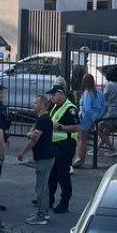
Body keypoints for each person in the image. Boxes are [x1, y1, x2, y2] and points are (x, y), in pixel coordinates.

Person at [17, 95, 55, 225]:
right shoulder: (42, 119)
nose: (33, 105)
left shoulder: (43, 120)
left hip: (44, 157)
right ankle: (44, 211)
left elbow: (34, 138)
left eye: (35, 103)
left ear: (43, 105)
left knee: (41, 187)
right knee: (44, 186)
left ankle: (42, 214)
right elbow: (33, 133)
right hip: (46, 156)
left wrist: (23, 152)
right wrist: (30, 134)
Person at [46, 85, 80, 214]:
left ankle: (64, 203)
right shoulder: (56, 106)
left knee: (63, 175)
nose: (52, 97)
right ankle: (48, 199)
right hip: (55, 145)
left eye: (53, 94)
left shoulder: (70, 108)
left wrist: (60, 127)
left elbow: (77, 127)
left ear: (61, 94)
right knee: (52, 175)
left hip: (65, 145)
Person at [73, 73, 105, 169]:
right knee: (83, 139)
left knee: (81, 139)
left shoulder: (87, 93)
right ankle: (80, 159)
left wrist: (90, 119)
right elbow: (103, 105)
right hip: (97, 116)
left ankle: (80, 159)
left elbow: (87, 109)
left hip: (86, 118)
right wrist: (98, 117)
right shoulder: (99, 91)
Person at [97, 68, 117, 153]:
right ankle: (97, 149)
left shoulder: (109, 85)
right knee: (106, 131)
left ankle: (112, 148)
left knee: (97, 128)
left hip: (111, 112)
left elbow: (103, 98)